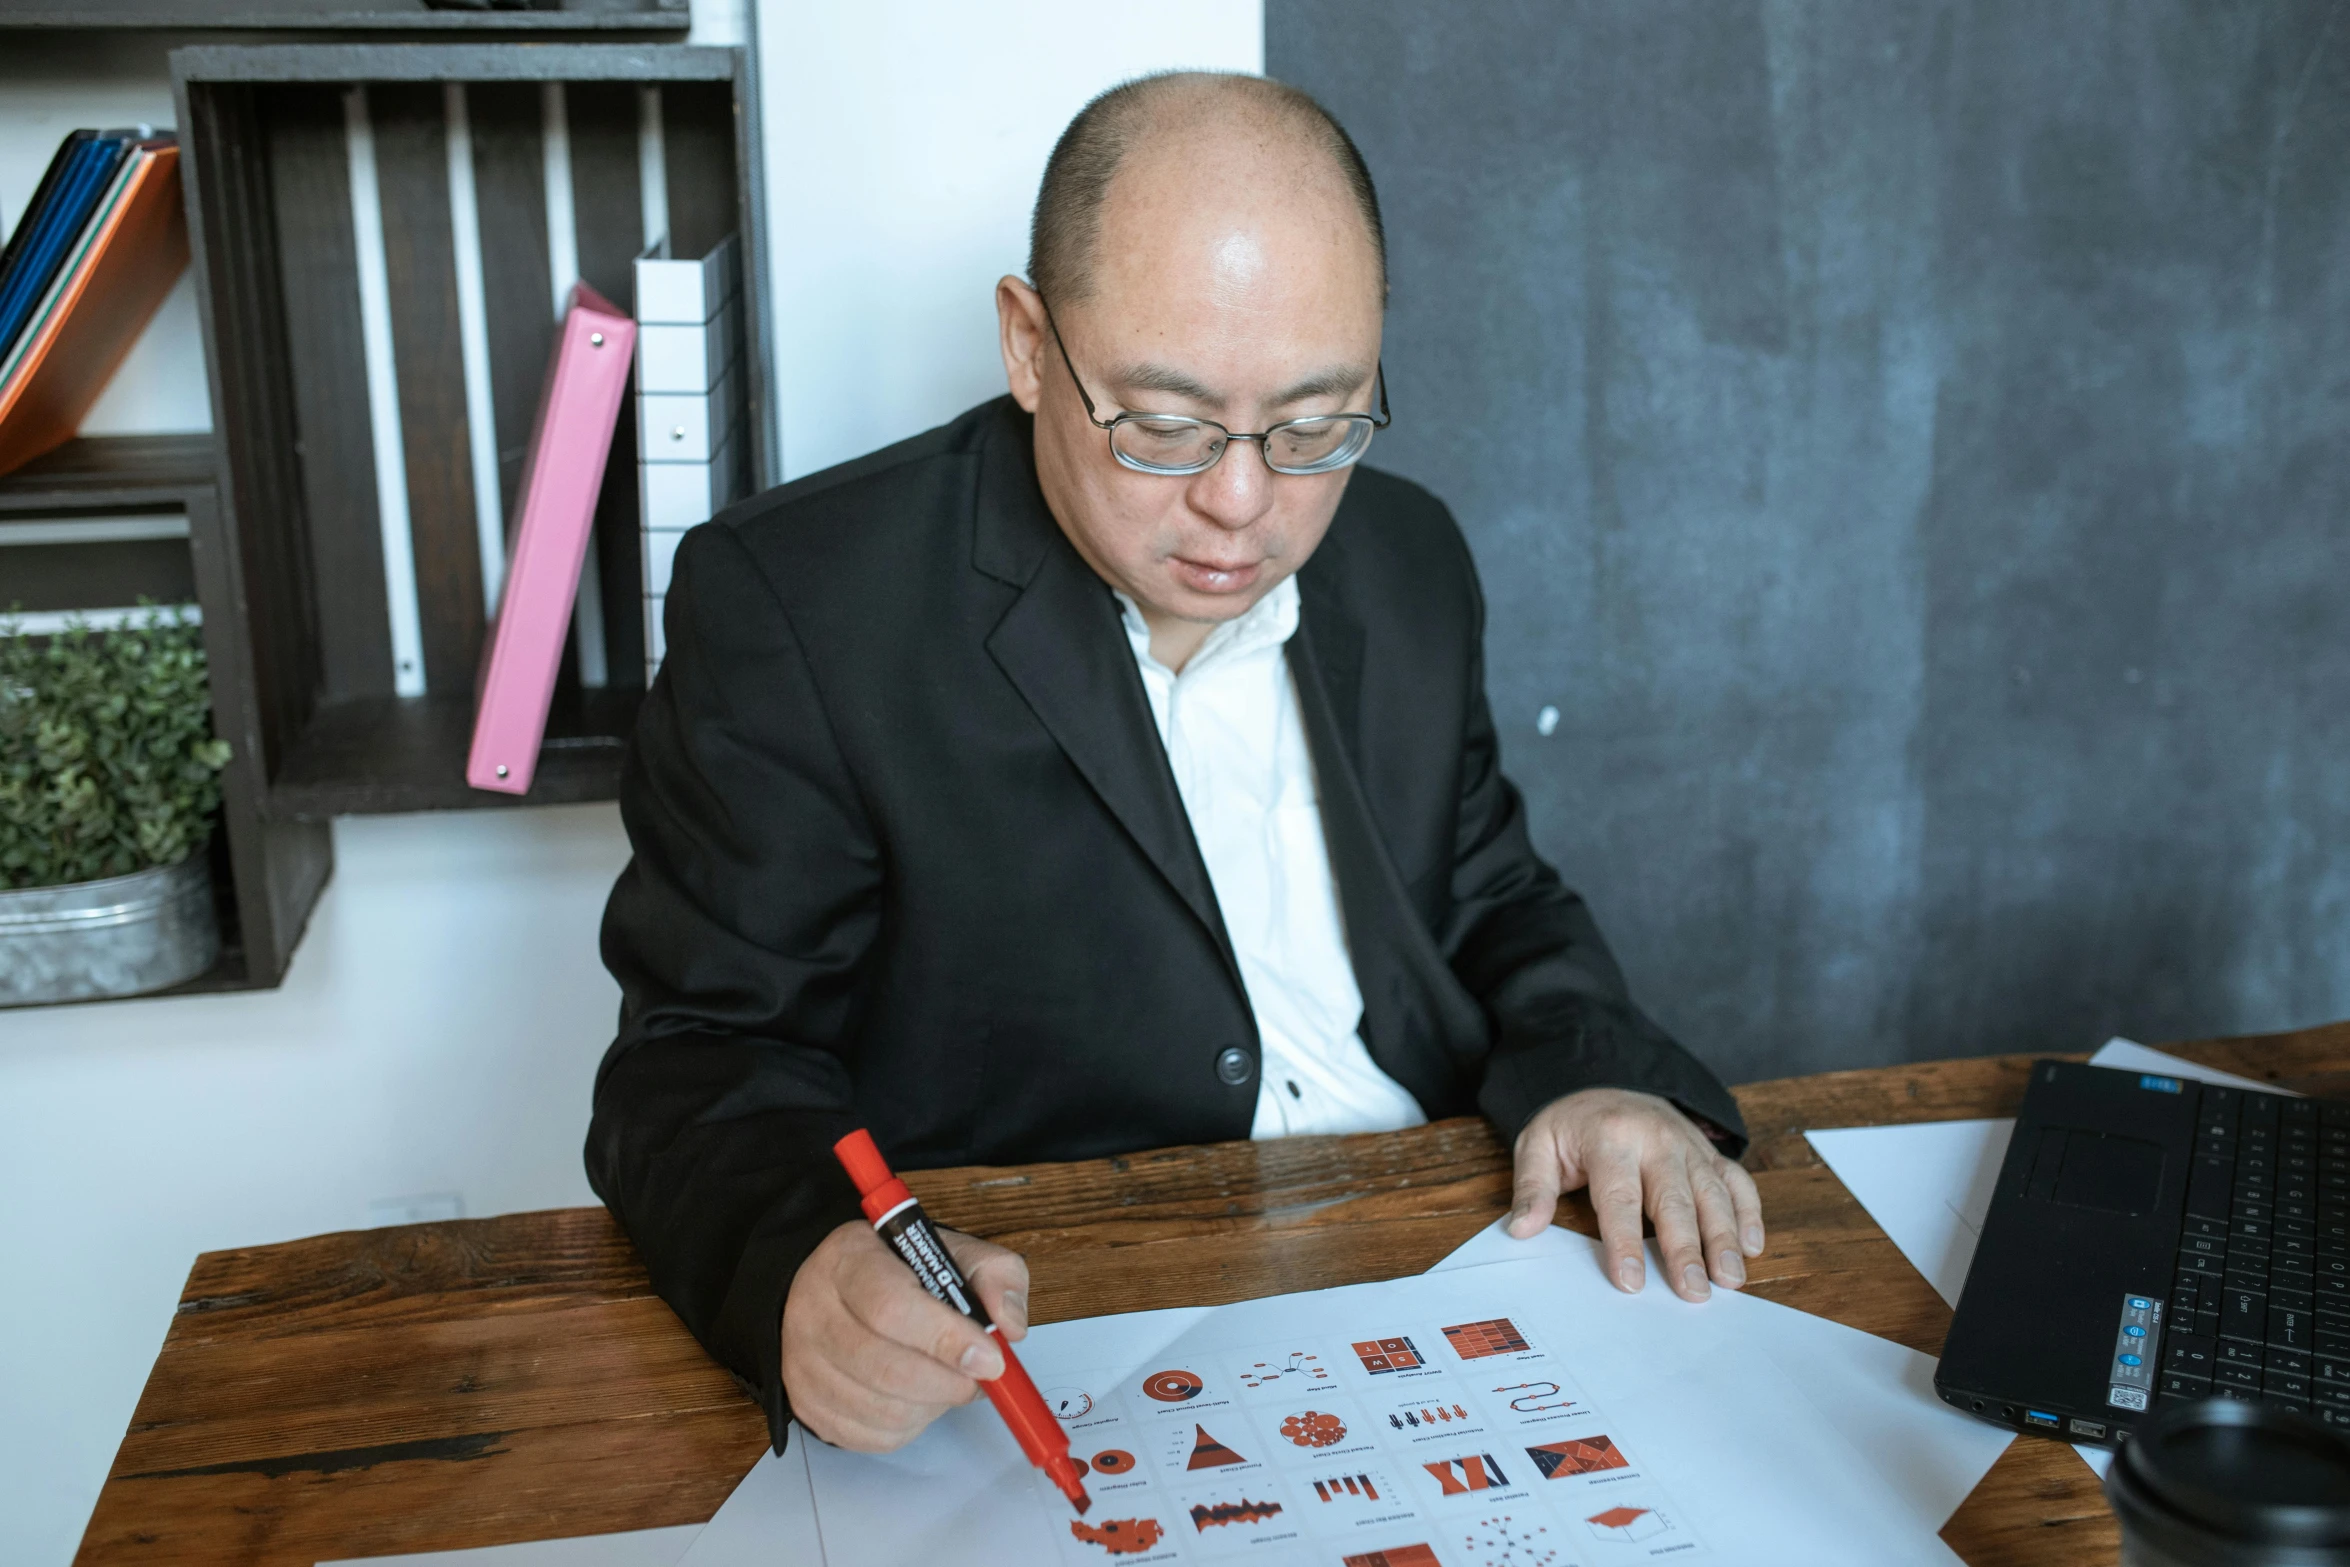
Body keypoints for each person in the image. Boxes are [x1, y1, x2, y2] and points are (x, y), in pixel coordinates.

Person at [586, 71, 1762, 1460]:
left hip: (1453, 1251)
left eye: (1316, 422)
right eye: (1163, 424)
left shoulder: (1405, 556)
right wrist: (794, 1264)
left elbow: (1489, 893)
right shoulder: (800, 608)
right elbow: (698, 1058)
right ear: (1030, 345)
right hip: (1067, 1320)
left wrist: (1597, 1077)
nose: (1243, 501)